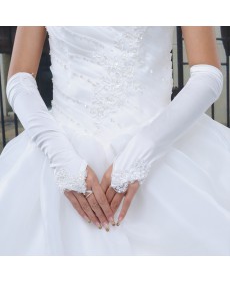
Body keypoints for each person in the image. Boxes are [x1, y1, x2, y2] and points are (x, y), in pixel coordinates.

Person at [0, 26, 229, 256]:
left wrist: (143, 150)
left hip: (159, 151)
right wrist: (58, 154)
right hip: (60, 156)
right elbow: (19, 77)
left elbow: (208, 74)